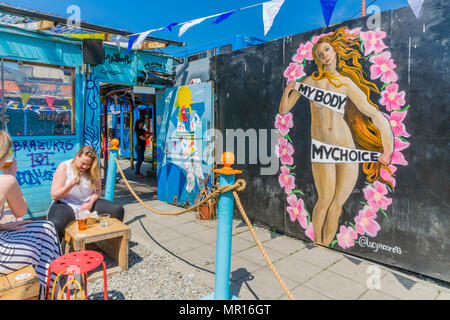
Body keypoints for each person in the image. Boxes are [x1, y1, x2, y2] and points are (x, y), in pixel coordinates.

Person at [278, 27, 394, 247]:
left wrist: (387, 149)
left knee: (337, 205)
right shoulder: (310, 81)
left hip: (346, 149)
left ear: (336, 51)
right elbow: (284, 110)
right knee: (324, 200)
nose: (325, 55)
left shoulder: (346, 83)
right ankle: (318, 244)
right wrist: (287, 92)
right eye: (320, 54)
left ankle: (325, 249)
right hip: (323, 149)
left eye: (328, 50)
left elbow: (374, 114)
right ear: (317, 59)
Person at [0, 130, 62, 297]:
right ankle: (50, 292)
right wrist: (11, 175)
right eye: (10, 151)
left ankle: (49, 288)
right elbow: (20, 211)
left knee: (47, 228)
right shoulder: (5, 180)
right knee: (42, 242)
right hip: (1, 252)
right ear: (4, 154)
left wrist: (4, 225)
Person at [47, 145, 125, 241]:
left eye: (88, 165)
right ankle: (56, 250)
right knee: (55, 224)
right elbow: (54, 195)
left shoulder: (94, 168)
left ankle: (111, 242)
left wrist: (90, 202)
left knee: (118, 210)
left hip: (87, 201)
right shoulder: (64, 166)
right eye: (83, 163)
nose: (85, 167)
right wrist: (70, 185)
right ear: (77, 156)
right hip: (66, 203)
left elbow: (97, 191)